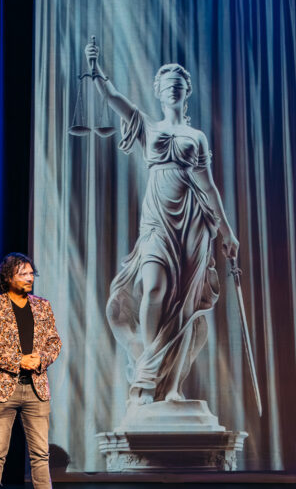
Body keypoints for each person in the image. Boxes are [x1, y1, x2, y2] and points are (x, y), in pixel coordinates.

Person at [84, 40, 240, 407]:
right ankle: (148, 370)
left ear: (186, 93)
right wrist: (95, 68)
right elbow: (113, 98)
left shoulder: (195, 137)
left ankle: (168, 384)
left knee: (183, 305)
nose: (172, 87)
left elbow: (209, 185)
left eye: (178, 84)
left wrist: (227, 231)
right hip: (157, 220)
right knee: (152, 289)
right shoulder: (147, 126)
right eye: (166, 83)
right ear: (157, 92)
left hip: (192, 224)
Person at [0, 252, 67, 489]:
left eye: (31, 274)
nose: (29, 278)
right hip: (2, 389)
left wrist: (41, 359)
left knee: (40, 455)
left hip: (36, 389)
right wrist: (18, 360)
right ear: (8, 277)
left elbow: (54, 341)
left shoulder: (42, 306)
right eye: (23, 273)